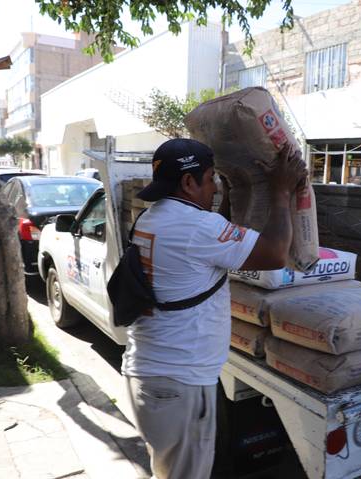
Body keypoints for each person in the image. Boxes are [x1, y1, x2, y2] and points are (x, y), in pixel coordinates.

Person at [123, 138, 306, 479]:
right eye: (210, 179)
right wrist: (281, 191)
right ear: (189, 183)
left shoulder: (153, 217)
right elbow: (275, 254)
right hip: (180, 384)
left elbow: (214, 236)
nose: (216, 185)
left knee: (168, 471)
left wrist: (231, 196)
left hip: (152, 376)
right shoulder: (197, 229)